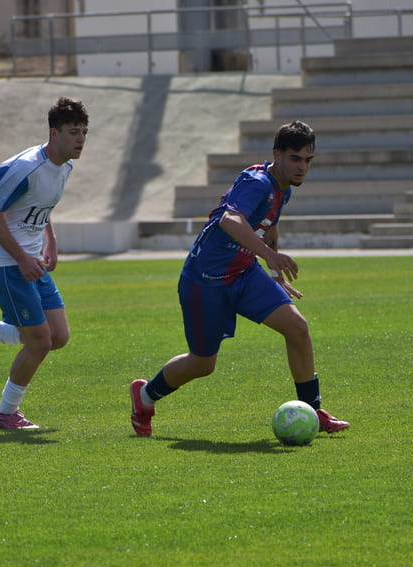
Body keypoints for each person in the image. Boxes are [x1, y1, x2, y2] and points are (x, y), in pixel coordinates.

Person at [129, 120, 350, 437]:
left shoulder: (282, 189)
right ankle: (145, 396)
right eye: (296, 159)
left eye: (308, 160)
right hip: (205, 281)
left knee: (297, 327)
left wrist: (275, 275)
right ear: (277, 154)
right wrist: (271, 257)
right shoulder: (257, 182)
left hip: (245, 274)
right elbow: (231, 221)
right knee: (203, 363)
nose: (303, 167)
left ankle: (313, 412)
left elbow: (270, 227)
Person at [0, 97, 88, 429]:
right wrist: (22, 257)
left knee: (58, 336)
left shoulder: (65, 164)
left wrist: (49, 240)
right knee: (39, 340)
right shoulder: (26, 167)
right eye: (73, 132)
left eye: (84, 132)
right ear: (54, 133)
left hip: (30, 260)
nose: (80, 139)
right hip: (6, 262)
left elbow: (43, 206)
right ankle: (5, 413)